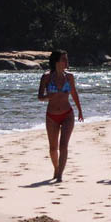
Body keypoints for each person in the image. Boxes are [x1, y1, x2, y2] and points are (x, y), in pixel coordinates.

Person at [38, 50, 84, 182]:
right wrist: (47, 97)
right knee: (53, 148)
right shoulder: (46, 77)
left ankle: (60, 175)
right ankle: (56, 168)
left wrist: (80, 110)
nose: (67, 62)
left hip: (67, 114)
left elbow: (74, 93)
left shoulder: (69, 76)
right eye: (64, 59)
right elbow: (40, 97)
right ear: (56, 61)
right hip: (52, 116)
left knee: (63, 146)